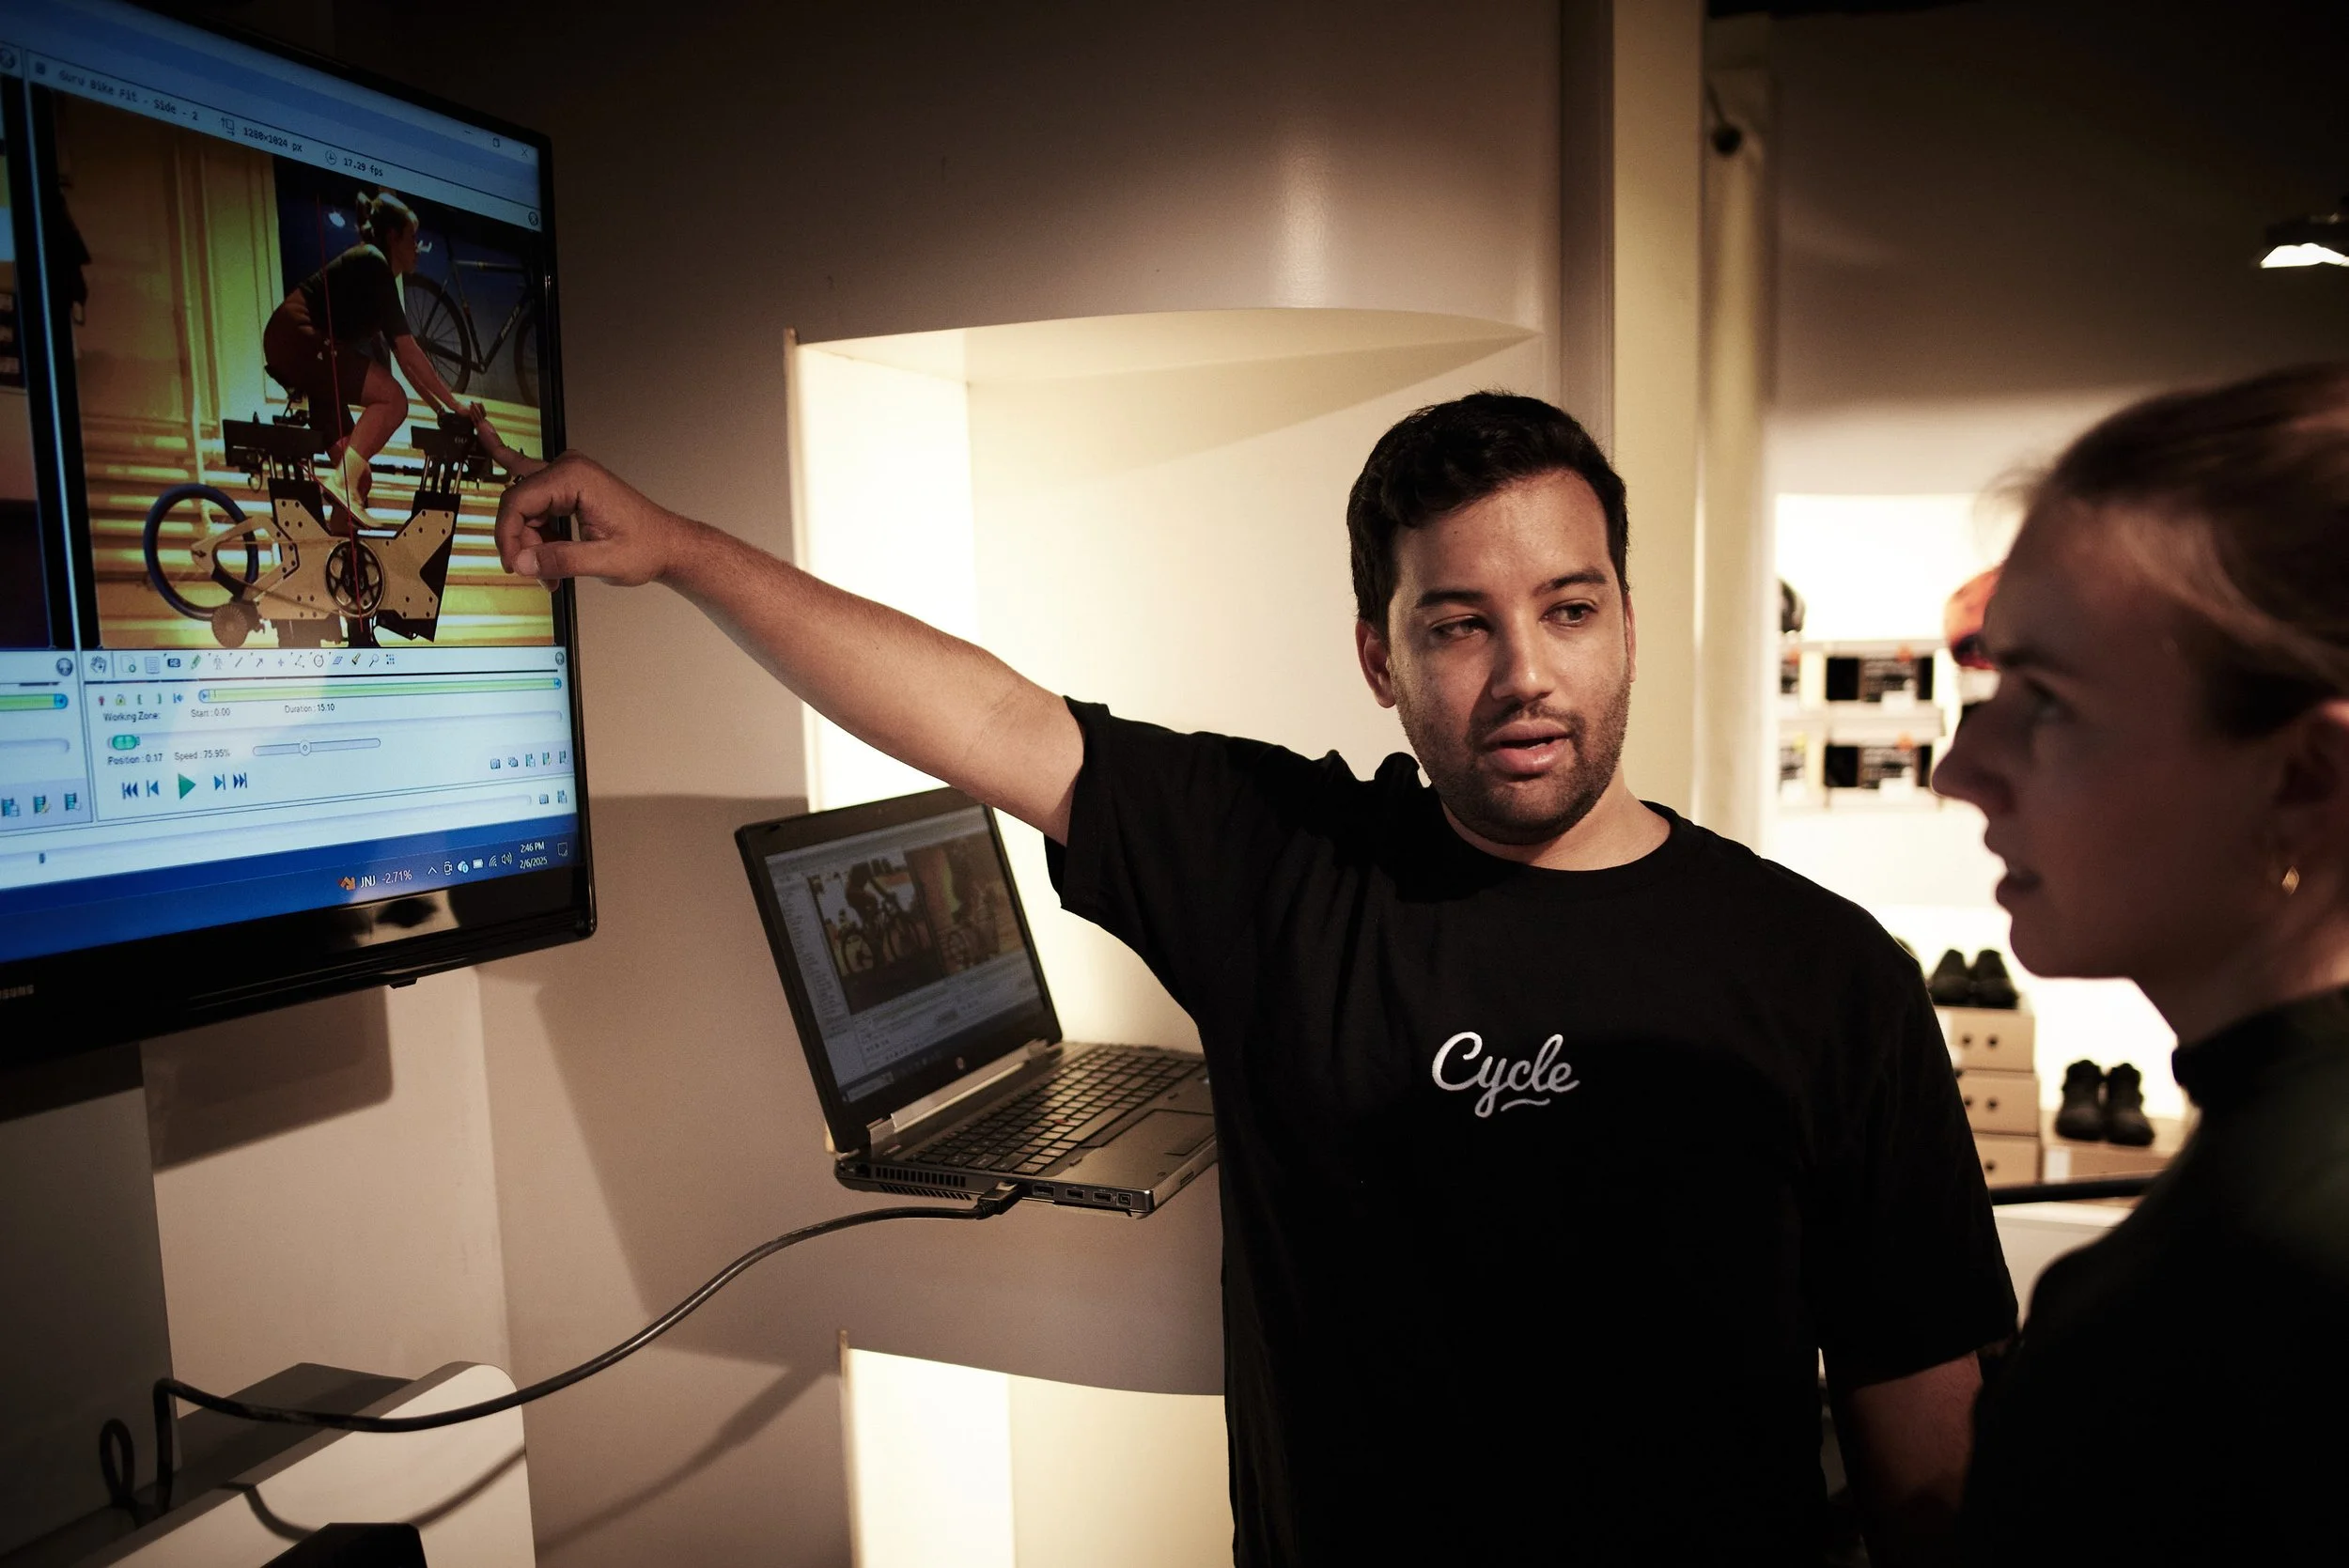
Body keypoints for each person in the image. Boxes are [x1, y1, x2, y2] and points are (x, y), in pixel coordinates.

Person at [494, 393, 2015, 1564]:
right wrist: (684, 548)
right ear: (1379, 656)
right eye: (1459, 623)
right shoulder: (1282, 868)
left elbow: (1924, 1436)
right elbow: (988, 721)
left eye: (1568, 607)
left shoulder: (1824, 974)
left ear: (1624, 614)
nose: (1526, 671)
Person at [1934, 364, 2349, 1566]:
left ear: (2302, 781)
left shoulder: (2215, 1312)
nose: (1959, 771)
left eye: (2047, 701)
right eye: (1991, 681)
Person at [260, 190, 476, 526]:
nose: (417, 247)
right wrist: (455, 403)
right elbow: (410, 352)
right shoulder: (373, 261)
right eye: (412, 238)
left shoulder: (377, 274)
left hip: (309, 362)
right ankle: (341, 483)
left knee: (359, 479)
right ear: (393, 237)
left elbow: (407, 364)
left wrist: (441, 412)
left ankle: (337, 568)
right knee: (393, 400)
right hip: (298, 337)